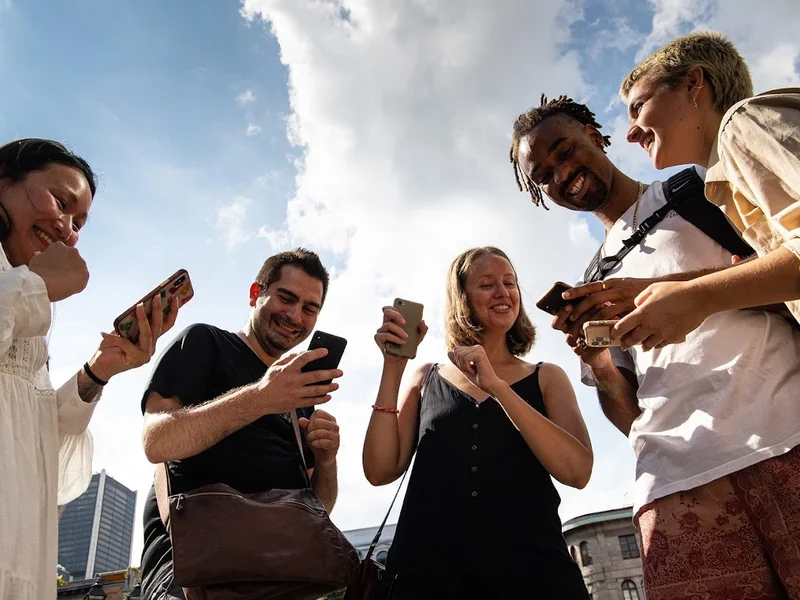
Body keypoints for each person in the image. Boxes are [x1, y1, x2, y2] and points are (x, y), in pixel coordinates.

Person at [509, 95, 800, 599]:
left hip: (784, 439)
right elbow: (627, 418)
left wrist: (672, 293)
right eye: (544, 175)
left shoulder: (699, 191)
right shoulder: (592, 279)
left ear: (595, 135)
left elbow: (789, 281)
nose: (562, 173)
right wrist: (596, 358)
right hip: (671, 486)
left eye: (565, 150)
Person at [0, 138, 180, 600]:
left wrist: (98, 372)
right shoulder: (25, 292)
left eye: (79, 222)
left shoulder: (26, 304)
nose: (68, 228)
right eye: (61, 202)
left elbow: (33, 436)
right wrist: (36, 287)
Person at [363, 246, 592, 600]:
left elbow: (578, 472)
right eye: (487, 284)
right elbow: (379, 471)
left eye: (510, 283)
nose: (503, 293)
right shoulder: (426, 377)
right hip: (427, 578)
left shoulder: (548, 377)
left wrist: (499, 389)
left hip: (533, 578)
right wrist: (393, 367)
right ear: (462, 299)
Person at [139, 248, 343, 600]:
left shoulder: (300, 395)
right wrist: (262, 398)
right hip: (193, 577)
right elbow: (157, 442)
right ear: (255, 294)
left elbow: (317, 510)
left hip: (277, 579)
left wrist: (327, 460)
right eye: (286, 298)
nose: (295, 316)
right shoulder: (204, 341)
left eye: (310, 308)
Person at [616, 30, 800, 348]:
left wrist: (700, 297)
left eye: (638, 107)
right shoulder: (724, 174)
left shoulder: (740, 125)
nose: (630, 134)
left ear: (692, 83)